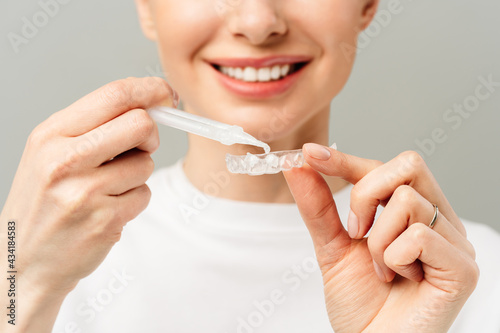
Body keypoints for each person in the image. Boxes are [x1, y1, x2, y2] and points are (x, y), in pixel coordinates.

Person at [1, 0, 499, 332]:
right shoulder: (43, 251)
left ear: (367, 5)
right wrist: (19, 281)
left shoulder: (466, 274)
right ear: (147, 7)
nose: (258, 22)